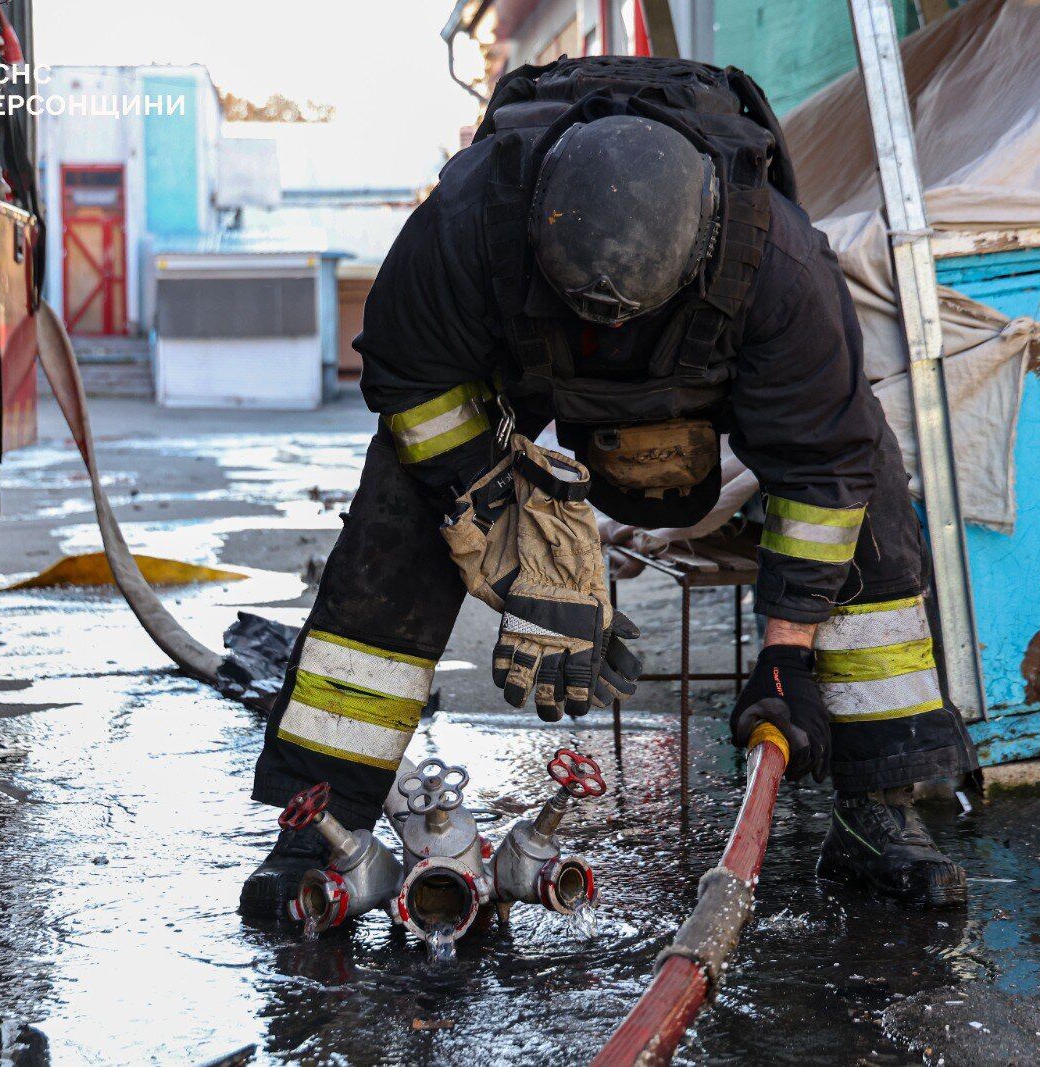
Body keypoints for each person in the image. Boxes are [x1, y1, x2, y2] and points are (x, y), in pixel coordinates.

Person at [241, 55, 978, 921]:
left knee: (871, 504)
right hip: (527, 358)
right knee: (396, 517)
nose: (614, 327)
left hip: (711, 364)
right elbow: (410, 382)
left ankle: (878, 813)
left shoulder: (779, 265)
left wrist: (785, 656)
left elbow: (824, 464)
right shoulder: (466, 226)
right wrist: (497, 529)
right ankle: (318, 826)